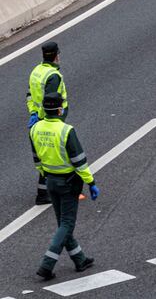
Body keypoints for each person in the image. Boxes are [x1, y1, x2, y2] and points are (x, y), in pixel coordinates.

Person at [30, 92, 99, 281]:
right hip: (68, 183)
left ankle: (80, 259)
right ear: (60, 109)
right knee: (67, 224)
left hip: (50, 182)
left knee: (63, 225)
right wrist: (91, 182)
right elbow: (79, 161)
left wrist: (46, 175)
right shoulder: (66, 130)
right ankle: (47, 264)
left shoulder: (35, 129)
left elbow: (36, 159)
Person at [26, 41, 69, 205]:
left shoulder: (36, 71)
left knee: (45, 155)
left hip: (39, 119)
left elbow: (29, 95)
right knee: (55, 154)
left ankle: (43, 192)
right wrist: (52, 118)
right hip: (51, 119)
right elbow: (50, 100)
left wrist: (33, 112)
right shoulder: (53, 76)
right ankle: (54, 191)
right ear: (57, 55)